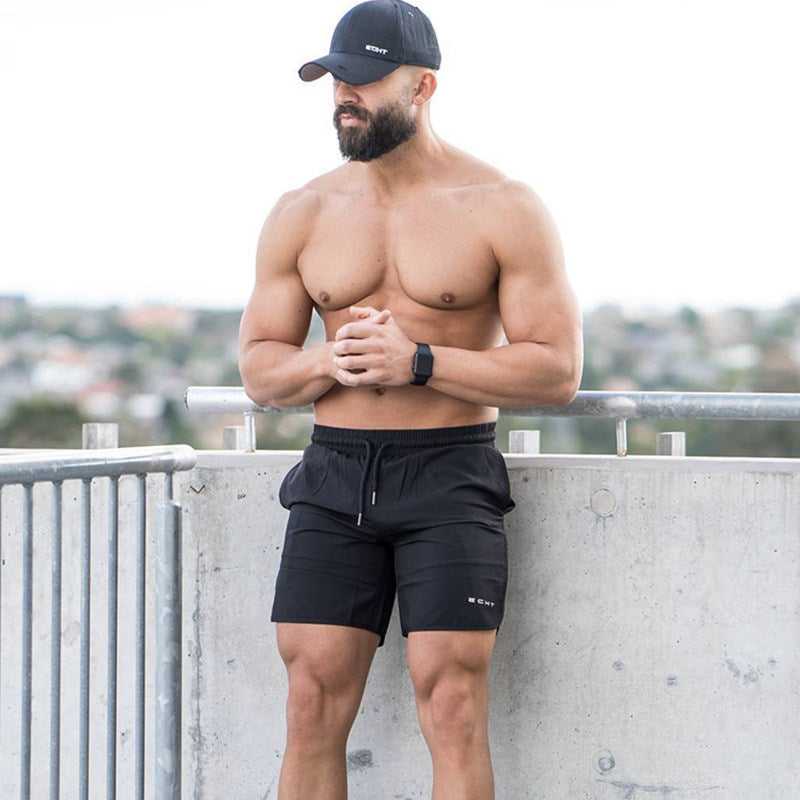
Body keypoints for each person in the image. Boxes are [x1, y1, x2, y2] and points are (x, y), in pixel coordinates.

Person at [238, 1, 583, 798]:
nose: (344, 95)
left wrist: (420, 361)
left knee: (453, 705)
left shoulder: (502, 205)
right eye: (335, 80)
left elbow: (555, 370)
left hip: (449, 474)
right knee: (310, 703)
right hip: (332, 474)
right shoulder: (302, 210)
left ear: (422, 85)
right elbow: (261, 370)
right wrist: (327, 359)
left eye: (362, 79)